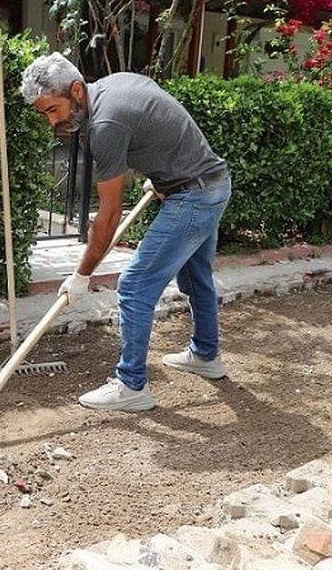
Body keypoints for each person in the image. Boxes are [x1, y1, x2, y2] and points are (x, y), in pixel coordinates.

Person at [20, 52, 233, 412]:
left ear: (75, 90)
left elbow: (109, 214)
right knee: (196, 278)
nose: (51, 121)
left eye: (53, 109)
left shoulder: (104, 126)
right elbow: (157, 123)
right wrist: (165, 171)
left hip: (193, 194)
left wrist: (81, 274)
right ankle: (206, 356)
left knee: (134, 285)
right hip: (210, 182)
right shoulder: (113, 85)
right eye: (44, 113)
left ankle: (131, 385)